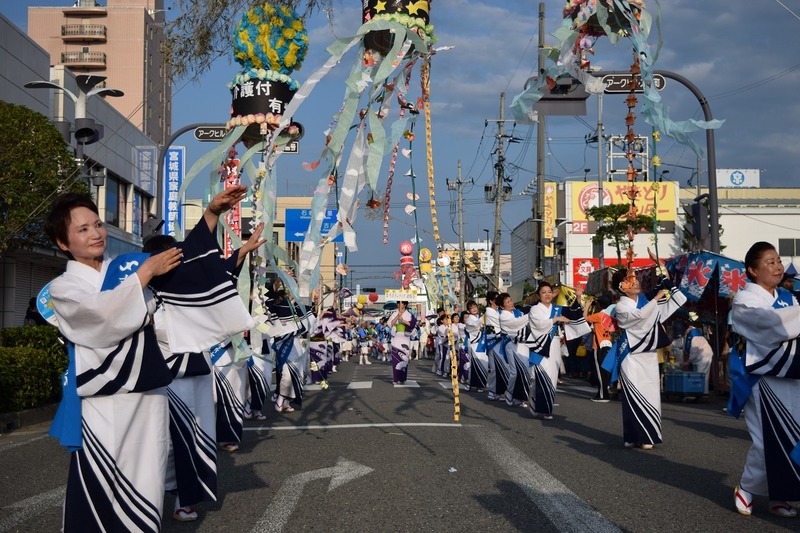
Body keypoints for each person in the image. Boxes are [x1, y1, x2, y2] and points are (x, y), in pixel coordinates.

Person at [44, 192, 182, 532]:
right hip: (105, 402)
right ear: (63, 243)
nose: (96, 234)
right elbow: (99, 317)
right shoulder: (63, 288)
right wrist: (144, 274)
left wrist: (210, 215)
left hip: (149, 393)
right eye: (83, 229)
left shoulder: (128, 271)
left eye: (98, 224)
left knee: (148, 481)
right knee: (101, 483)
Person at [729, 241, 800, 517]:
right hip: (763, 376)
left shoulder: (788, 298)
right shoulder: (745, 300)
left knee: (793, 436)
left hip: (792, 373)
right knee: (766, 439)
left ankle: (781, 495)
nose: (778, 266)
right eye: (770, 262)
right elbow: (770, 326)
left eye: (778, 260)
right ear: (753, 270)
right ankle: (747, 488)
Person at [609, 268, 685, 450]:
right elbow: (639, 315)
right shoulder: (620, 306)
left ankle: (648, 436)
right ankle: (632, 435)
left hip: (648, 354)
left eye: (635, 279)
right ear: (622, 286)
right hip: (630, 355)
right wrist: (656, 299)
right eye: (630, 280)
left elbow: (678, 299)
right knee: (632, 396)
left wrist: (665, 278)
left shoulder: (646, 301)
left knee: (650, 394)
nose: (636, 283)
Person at [584, 292, 616, 402]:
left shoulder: (599, 315)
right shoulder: (612, 315)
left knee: (600, 372)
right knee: (606, 371)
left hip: (599, 346)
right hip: (609, 344)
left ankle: (603, 395)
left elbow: (585, 318)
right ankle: (602, 393)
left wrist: (587, 306)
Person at [388, 300, 416, 384]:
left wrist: (403, 320)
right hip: (396, 337)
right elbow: (390, 324)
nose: (399, 305)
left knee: (404, 358)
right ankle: (396, 378)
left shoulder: (409, 314)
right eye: (398, 303)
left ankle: (403, 378)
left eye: (400, 303)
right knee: (396, 358)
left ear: (405, 304)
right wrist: (397, 316)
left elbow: (412, 324)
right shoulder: (394, 314)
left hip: (405, 337)